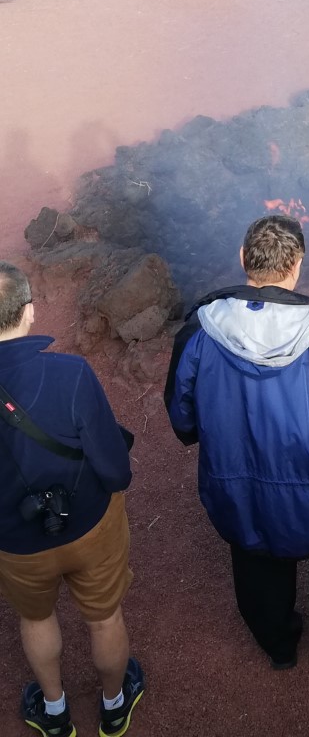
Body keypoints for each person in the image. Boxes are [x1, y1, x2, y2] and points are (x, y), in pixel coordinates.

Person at [165, 215, 309, 680]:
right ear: (297, 265)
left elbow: (182, 417)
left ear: (242, 259)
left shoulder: (200, 331)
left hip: (241, 479)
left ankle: (279, 645)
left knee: (257, 551)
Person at [0, 262, 144, 737]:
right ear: (29, 311)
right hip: (88, 522)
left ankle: (57, 714)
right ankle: (114, 706)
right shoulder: (71, 373)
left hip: (15, 539)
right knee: (104, 618)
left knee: (36, 618)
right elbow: (113, 467)